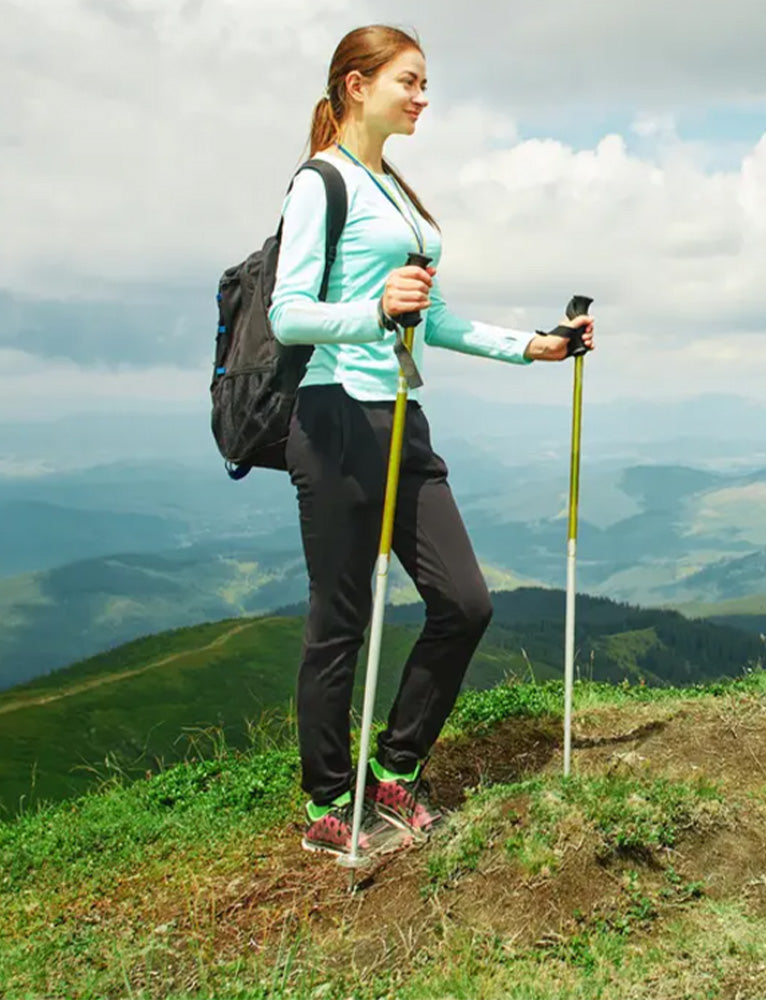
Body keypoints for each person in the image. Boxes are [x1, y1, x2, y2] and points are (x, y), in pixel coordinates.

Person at [269, 24, 595, 858]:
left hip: (402, 416)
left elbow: (434, 319)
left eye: (425, 84)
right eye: (407, 82)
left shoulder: (400, 193)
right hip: (335, 415)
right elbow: (288, 312)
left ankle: (395, 770)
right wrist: (372, 312)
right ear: (355, 86)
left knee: (464, 600)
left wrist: (536, 345)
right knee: (340, 618)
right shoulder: (322, 184)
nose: (422, 97)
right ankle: (327, 804)